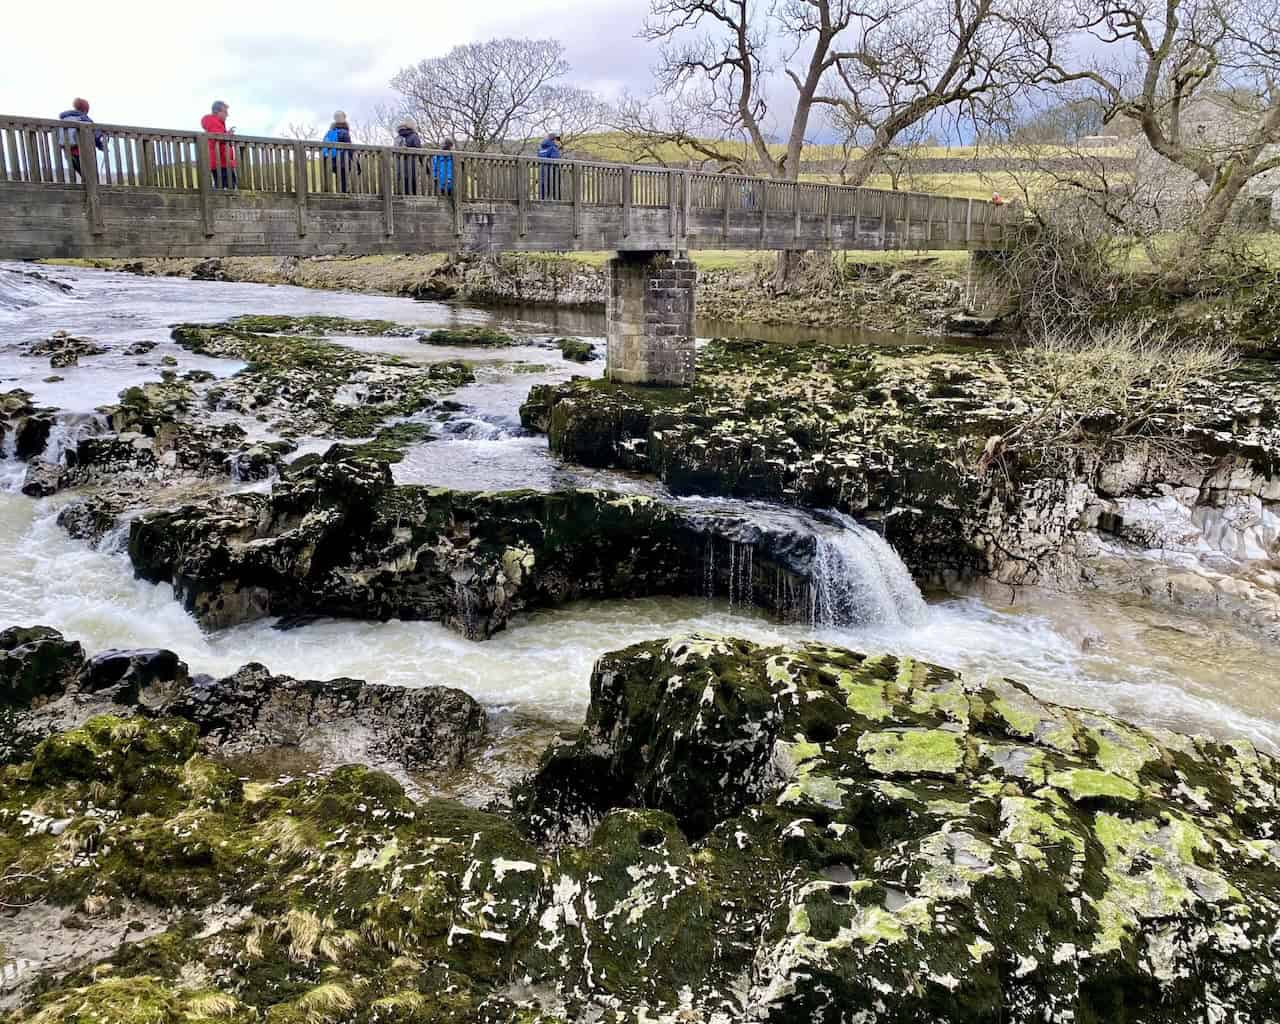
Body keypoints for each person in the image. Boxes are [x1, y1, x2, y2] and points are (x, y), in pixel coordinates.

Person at [57, 98, 104, 180]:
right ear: (85, 110)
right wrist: (101, 145)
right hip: (81, 152)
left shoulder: (63, 119)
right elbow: (95, 135)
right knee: (92, 177)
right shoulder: (84, 119)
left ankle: (86, 185)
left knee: (84, 174)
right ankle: (92, 189)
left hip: (68, 153)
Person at [200, 101, 237, 190]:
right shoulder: (212, 121)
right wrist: (228, 135)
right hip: (221, 163)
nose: (227, 115)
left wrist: (227, 133)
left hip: (222, 162)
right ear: (218, 112)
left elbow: (218, 136)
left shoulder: (216, 122)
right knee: (227, 189)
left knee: (225, 187)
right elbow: (218, 138)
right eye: (225, 112)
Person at [322, 111, 355, 193]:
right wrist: (355, 160)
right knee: (344, 177)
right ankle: (343, 192)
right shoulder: (344, 132)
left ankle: (339, 191)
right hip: (342, 160)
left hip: (331, 159)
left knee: (339, 176)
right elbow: (349, 147)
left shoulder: (330, 132)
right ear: (344, 119)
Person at [395, 118, 422, 195]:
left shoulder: (397, 137)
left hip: (400, 168)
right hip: (412, 169)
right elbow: (420, 151)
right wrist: (426, 167)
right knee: (412, 189)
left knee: (402, 187)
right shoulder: (414, 136)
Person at [538, 132, 562, 200]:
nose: (558, 141)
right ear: (554, 140)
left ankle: (541, 205)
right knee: (555, 190)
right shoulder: (553, 148)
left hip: (542, 173)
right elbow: (555, 161)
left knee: (543, 192)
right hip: (552, 173)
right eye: (557, 140)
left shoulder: (541, 150)